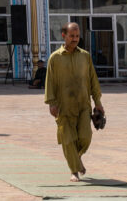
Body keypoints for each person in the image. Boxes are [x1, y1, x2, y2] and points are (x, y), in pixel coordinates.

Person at [45, 21, 104, 182]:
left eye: (77, 36)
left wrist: (97, 101)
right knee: (68, 139)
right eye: (71, 36)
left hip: (83, 105)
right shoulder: (55, 58)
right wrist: (51, 103)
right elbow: (50, 81)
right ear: (64, 36)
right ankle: (75, 170)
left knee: (85, 137)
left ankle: (75, 159)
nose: (75, 39)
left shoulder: (85, 56)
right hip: (64, 107)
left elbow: (92, 79)